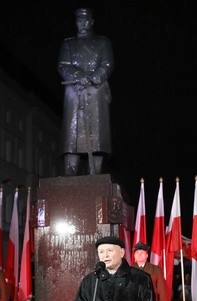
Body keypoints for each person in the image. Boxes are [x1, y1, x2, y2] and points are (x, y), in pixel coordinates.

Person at [57, 8, 114, 176]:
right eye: (79, 21)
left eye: (85, 20)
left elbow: (107, 64)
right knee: (71, 137)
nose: (81, 24)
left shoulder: (103, 42)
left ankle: (94, 173)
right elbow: (63, 65)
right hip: (74, 91)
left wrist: (92, 79)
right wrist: (78, 76)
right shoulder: (68, 43)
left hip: (96, 92)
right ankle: (70, 172)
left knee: (97, 137)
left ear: (91, 22)